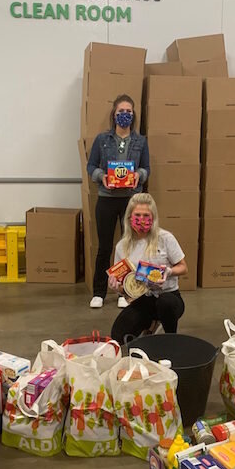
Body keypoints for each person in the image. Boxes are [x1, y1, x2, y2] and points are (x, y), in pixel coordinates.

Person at [86, 94, 150, 309]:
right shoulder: (102, 140)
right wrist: (101, 177)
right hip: (106, 198)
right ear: (114, 114)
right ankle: (99, 292)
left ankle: (125, 290)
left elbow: (147, 169)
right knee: (104, 247)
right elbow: (91, 166)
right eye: (121, 111)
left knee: (128, 248)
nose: (125, 115)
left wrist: (138, 175)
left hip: (131, 202)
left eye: (129, 111)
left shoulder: (141, 141)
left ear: (134, 115)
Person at [108, 193, 187, 344]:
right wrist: (116, 287)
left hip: (169, 296)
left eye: (146, 215)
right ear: (129, 217)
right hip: (142, 300)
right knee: (117, 335)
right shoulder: (122, 246)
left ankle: (171, 340)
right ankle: (150, 325)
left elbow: (184, 267)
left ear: (153, 217)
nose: (142, 219)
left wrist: (169, 271)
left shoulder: (165, 238)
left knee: (166, 304)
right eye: (137, 215)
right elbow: (123, 286)